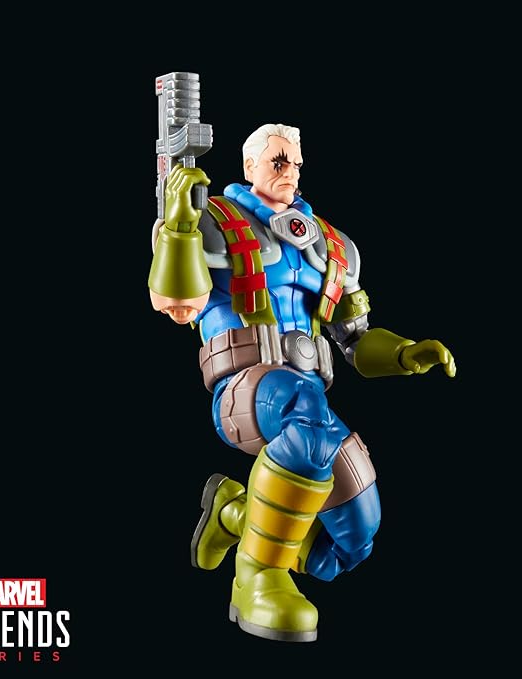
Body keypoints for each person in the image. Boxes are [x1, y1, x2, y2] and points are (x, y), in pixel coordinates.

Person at [148, 123, 456, 642]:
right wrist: (177, 225)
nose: (289, 170)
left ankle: (232, 513)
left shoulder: (329, 245)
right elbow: (178, 305)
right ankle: (256, 578)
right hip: (244, 391)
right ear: (249, 166)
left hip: (306, 399)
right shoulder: (214, 223)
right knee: (306, 417)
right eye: (278, 161)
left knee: (351, 543)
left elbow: (356, 341)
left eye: (294, 162)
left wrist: (405, 354)